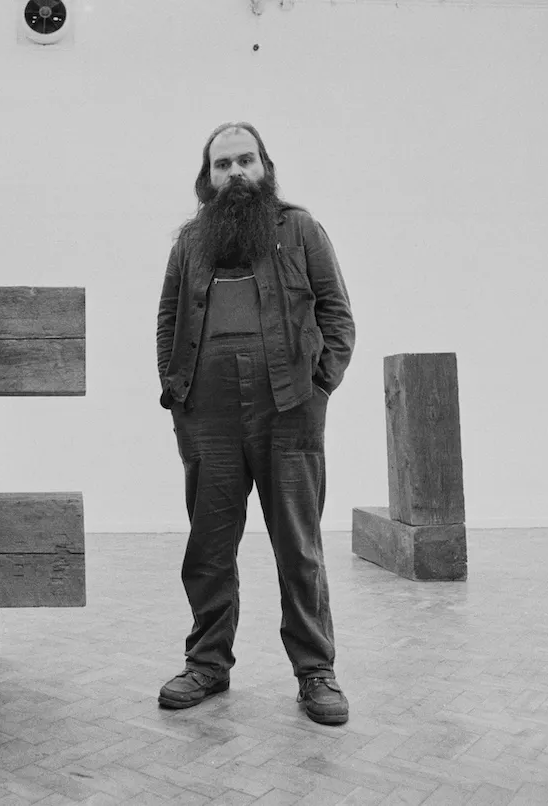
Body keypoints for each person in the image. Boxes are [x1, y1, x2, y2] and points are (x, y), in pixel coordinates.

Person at [155, 122, 355, 725]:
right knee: (209, 546)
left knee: (298, 547)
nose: (234, 173)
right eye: (222, 165)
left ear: (265, 166)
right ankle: (207, 664)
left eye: (245, 160)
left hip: (289, 408)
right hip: (207, 412)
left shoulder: (300, 229)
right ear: (207, 178)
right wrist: (177, 392)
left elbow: (337, 315)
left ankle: (316, 671)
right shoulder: (190, 242)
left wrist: (318, 388)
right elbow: (168, 320)